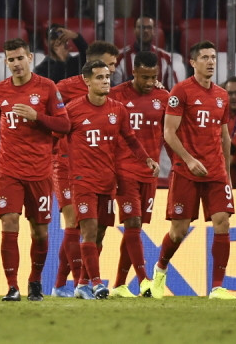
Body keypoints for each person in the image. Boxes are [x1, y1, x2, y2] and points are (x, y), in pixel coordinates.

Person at [0, 38, 70, 302]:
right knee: (9, 222)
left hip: (40, 171)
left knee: (40, 231)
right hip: (9, 170)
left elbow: (65, 125)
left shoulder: (46, 88)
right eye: (11, 59)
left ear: (30, 57)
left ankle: (34, 281)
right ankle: (12, 286)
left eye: (20, 58)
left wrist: (37, 117)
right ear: (6, 62)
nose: (16, 64)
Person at [148, 40, 236, 300]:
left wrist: (228, 175)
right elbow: (169, 133)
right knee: (179, 231)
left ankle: (218, 287)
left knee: (223, 222)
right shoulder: (181, 92)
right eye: (205, 57)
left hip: (216, 171)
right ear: (193, 62)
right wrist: (188, 160)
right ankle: (160, 270)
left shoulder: (222, 95)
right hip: (187, 171)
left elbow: (225, 138)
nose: (210, 62)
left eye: (213, 57)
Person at [64, 59, 158, 300]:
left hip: (107, 180)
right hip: (83, 179)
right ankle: (97, 283)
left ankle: (83, 284)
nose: (106, 81)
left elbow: (130, 138)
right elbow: (55, 135)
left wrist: (146, 159)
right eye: (99, 77)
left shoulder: (117, 109)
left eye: (107, 77)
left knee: (100, 233)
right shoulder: (73, 109)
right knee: (89, 229)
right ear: (87, 81)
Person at [50, 40, 119, 297]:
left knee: (92, 228)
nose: (111, 72)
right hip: (65, 164)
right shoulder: (63, 89)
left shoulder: (108, 91)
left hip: (96, 169)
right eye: (108, 65)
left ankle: (80, 283)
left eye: (111, 69)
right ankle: (60, 284)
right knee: (73, 223)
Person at [108, 50, 168, 297]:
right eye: (144, 77)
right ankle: (144, 280)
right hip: (123, 170)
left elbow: (172, 133)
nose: (149, 82)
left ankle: (120, 285)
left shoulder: (164, 97)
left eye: (153, 77)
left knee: (136, 228)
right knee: (132, 223)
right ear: (133, 72)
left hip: (149, 172)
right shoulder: (115, 96)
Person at [113, 16, 177, 89]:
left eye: (149, 27)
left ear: (154, 31)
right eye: (141, 27)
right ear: (134, 30)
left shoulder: (166, 58)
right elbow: (116, 89)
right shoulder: (120, 57)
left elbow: (173, 90)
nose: (146, 30)